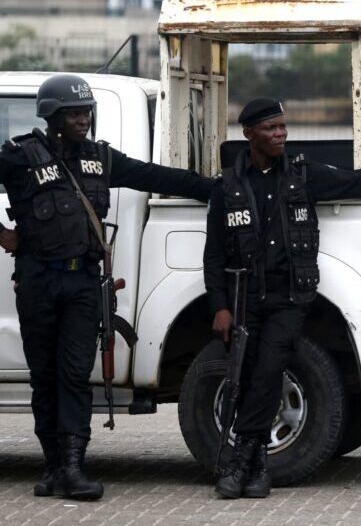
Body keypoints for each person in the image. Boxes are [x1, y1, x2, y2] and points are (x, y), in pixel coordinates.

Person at [205, 98, 361, 499]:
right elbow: (214, 254)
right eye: (271, 128)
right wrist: (219, 305)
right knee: (248, 375)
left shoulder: (304, 176)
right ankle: (255, 466)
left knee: (270, 370)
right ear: (249, 134)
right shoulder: (228, 187)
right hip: (245, 298)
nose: (280, 134)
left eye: (283, 127)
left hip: (290, 297)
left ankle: (241, 462)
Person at [0, 74, 213, 501]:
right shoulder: (19, 157)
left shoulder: (101, 159)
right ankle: (54, 467)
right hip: (38, 282)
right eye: (74, 113)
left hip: (82, 283)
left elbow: (155, 175)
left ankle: (74, 468)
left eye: (86, 112)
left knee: (75, 375)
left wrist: (216, 189)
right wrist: (2, 234)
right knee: (44, 378)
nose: (83, 120)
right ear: (53, 117)